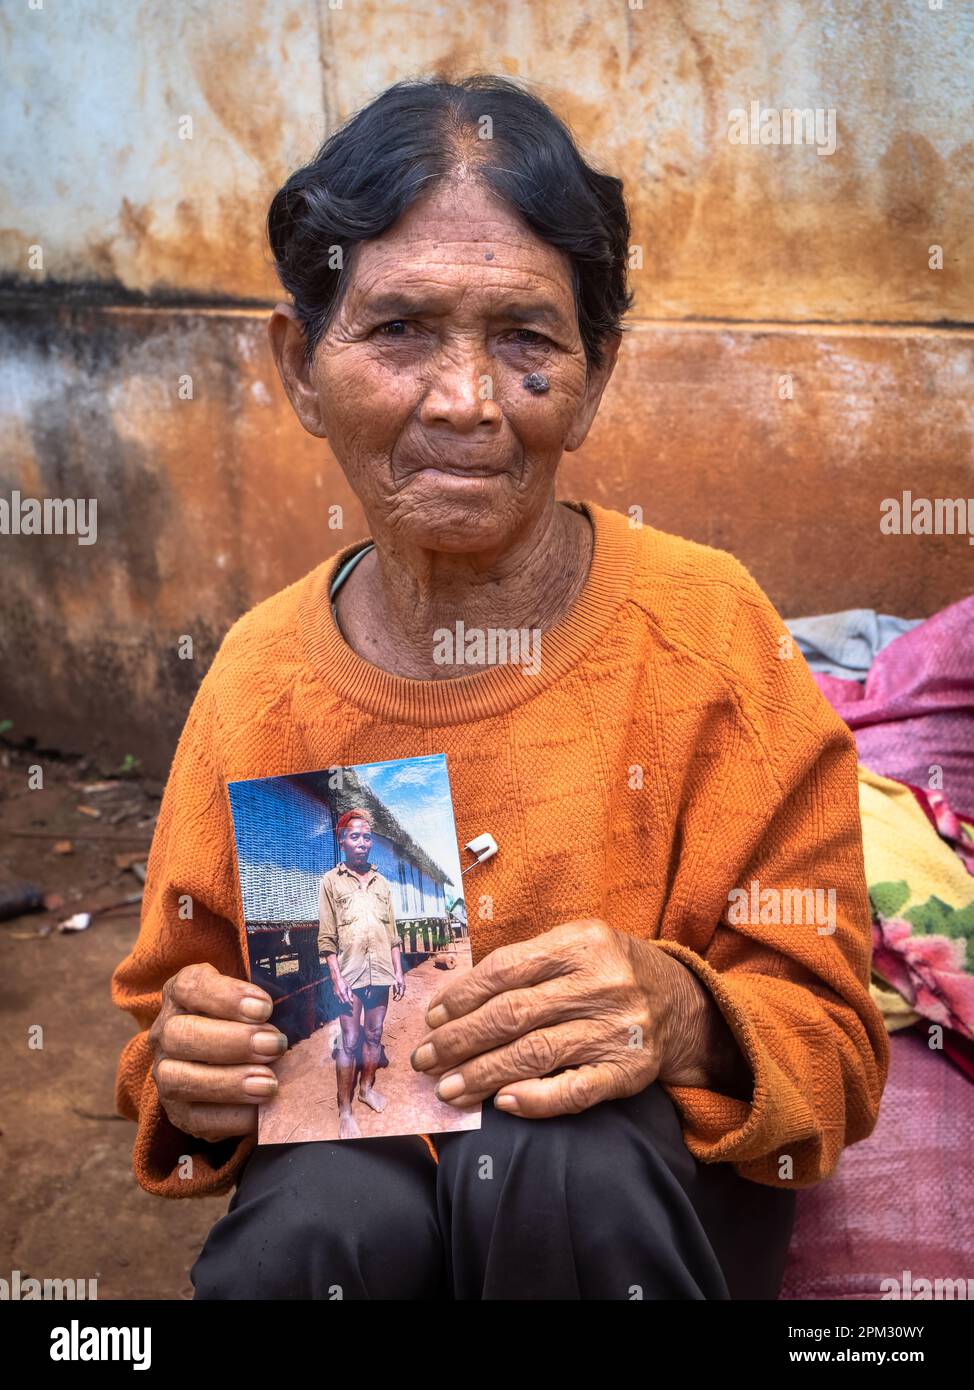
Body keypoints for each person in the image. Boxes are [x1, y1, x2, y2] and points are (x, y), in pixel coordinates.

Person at [110, 73, 890, 1301]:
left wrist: (683, 1011)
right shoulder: (263, 678)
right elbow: (172, 1028)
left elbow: (834, 1038)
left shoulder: (708, 633)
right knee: (317, 1219)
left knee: (555, 1159)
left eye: (525, 337)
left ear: (596, 372)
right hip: (368, 1208)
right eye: (399, 328)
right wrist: (190, 1069)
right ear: (299, 367)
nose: (464, 401)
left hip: (641, 1216)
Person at [318, 807, 405, 1138]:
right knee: (350, 1040)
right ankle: (345, 1109)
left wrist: (399, 971)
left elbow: (393, 934)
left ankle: (366, 1088)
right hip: (350, 976)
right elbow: (327, 938)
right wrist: (337, 978)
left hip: (381, 972)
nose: (362, 842)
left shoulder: (383, 883)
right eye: (355, 836)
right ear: (343, 842)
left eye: (367, 837)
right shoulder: (331, 881)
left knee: (374, 1034)